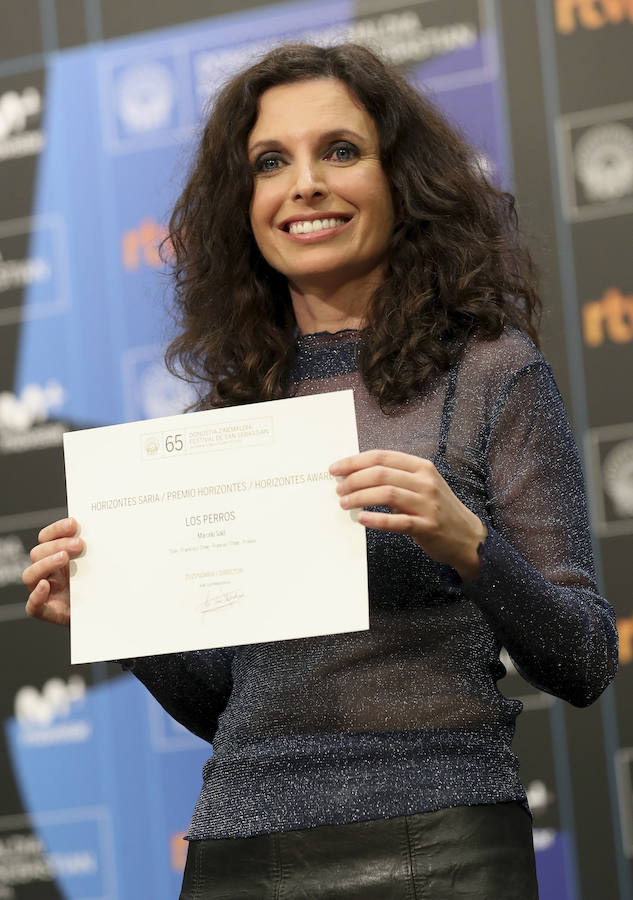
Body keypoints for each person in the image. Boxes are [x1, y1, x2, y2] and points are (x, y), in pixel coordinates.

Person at [22, 43, 618, 899]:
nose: (303, 184)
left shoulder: (490, 372)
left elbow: (585, 659)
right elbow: (231, 707)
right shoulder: (223, 423)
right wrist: (123, 621)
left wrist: (469, 546)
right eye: (271, 162)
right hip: (240, 846)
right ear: (245, 204)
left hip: (442, 843)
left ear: (400, 183)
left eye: (339, 151)